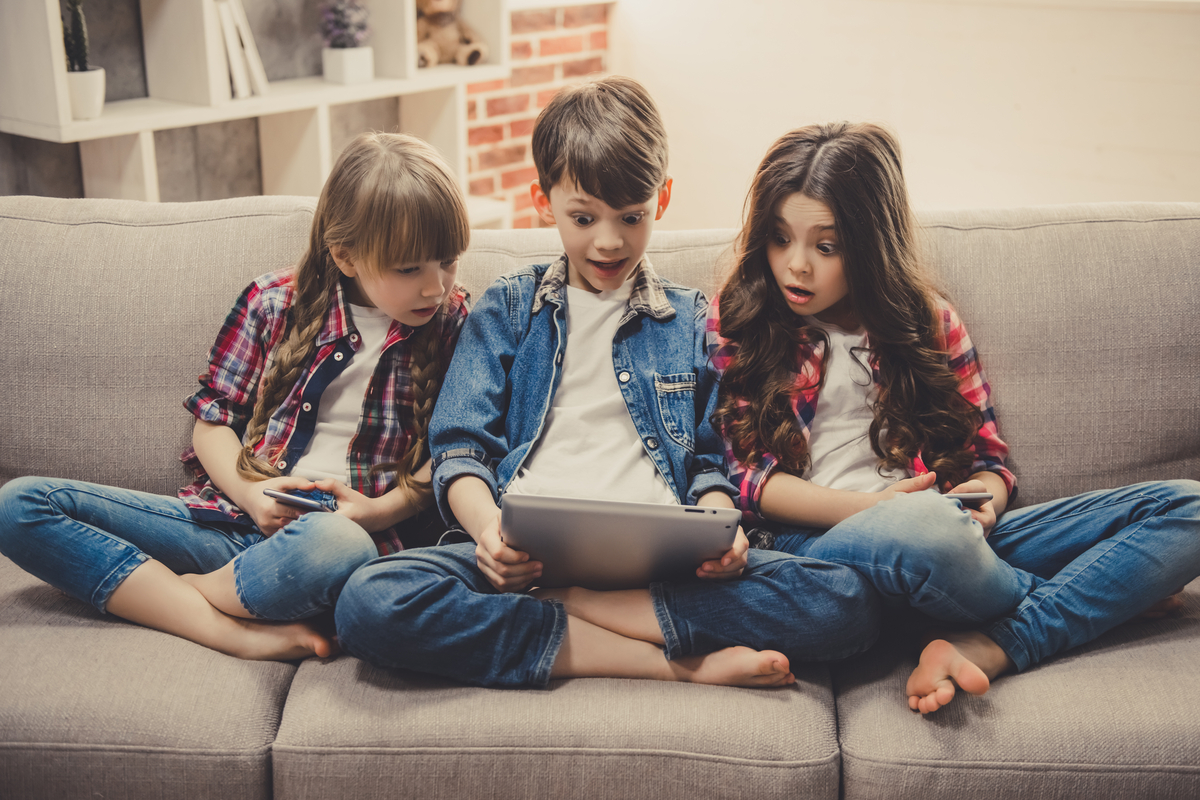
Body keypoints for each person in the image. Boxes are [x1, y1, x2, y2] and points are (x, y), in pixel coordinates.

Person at [334, 77, 880, 688]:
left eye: (631, 216)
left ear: (663, 198)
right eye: (583, 217)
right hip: (521, 560)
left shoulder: (692, 319)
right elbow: (459, 448)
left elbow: (708, 461)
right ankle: (664, 661)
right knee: (370, 600)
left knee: (847, 602)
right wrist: (488, 534)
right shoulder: (508, 309)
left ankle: (570, 608)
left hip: (664, 569)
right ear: (543, 201)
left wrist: (722, 528)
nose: (609, 240)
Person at [708, 121, 1200, 714]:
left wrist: (985, 500)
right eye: (780, 238)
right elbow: (749, 481)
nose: (797, 266)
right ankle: (1072, 602)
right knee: (926, 533)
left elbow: (988, 459)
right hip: (819, 544)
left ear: (868, 244)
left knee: (1188, 509)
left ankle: (989, 639)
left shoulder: (928, 322)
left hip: (950, 539)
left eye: (826, 246)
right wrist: (883, 512)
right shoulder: (737, 323)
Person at [0, 132, 471, 662]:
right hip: (227, 524)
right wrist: (251, 497)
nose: (436, 287)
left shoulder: (457, 326)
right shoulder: (273, 303)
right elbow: (211, 423)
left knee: (337, 545)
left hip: (343, 543)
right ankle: (225, 627)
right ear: (346, 255)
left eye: (447, 261)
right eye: (409, 269)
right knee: (19, 505)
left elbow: (457, 455)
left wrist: (378, 513)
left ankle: (172, 596)